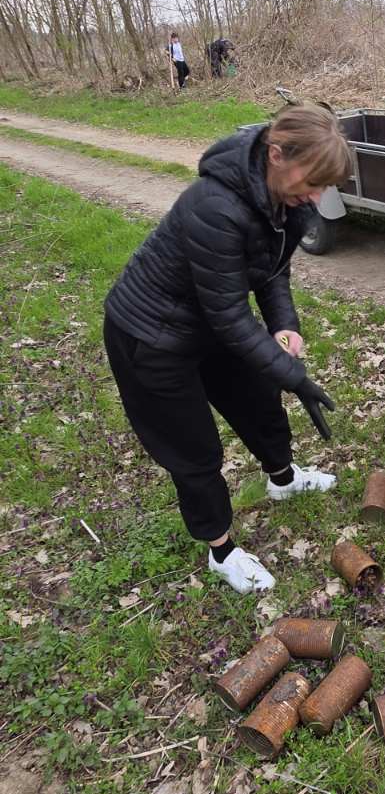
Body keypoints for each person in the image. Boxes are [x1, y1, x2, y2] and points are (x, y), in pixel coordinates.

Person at [103, 105, 352, 593]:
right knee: (194, 450)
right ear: (275, 154)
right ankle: (222, 552)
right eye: (313, 181)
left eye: (325, 185)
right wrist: (294, 375)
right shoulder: (214, 205)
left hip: (208, 320)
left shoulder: (289, 198)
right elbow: (230, 318)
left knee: (258, 396)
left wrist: (284, 325)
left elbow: (273, 269)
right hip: (152, 335)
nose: (317, 195)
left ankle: (283, 479)